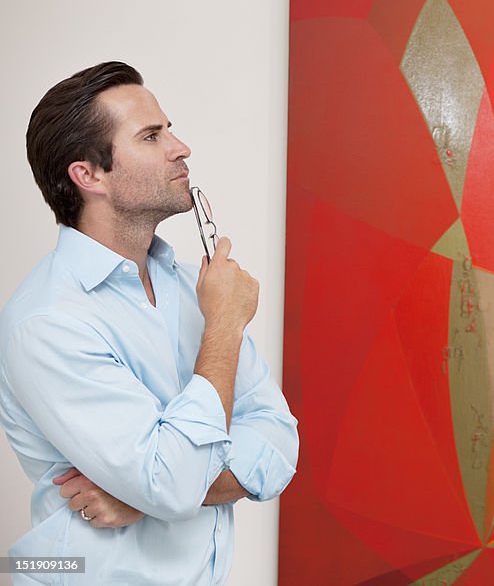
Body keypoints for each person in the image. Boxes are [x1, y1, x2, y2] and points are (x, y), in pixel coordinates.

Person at [0, 62, 299, 585]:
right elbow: (171, 483)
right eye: (151, 135)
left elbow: (278, 444)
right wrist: (224, 328)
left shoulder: (192, 287)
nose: (180, 147)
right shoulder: (47, 322)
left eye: (169, 128)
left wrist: (148, 495)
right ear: (88, 175)